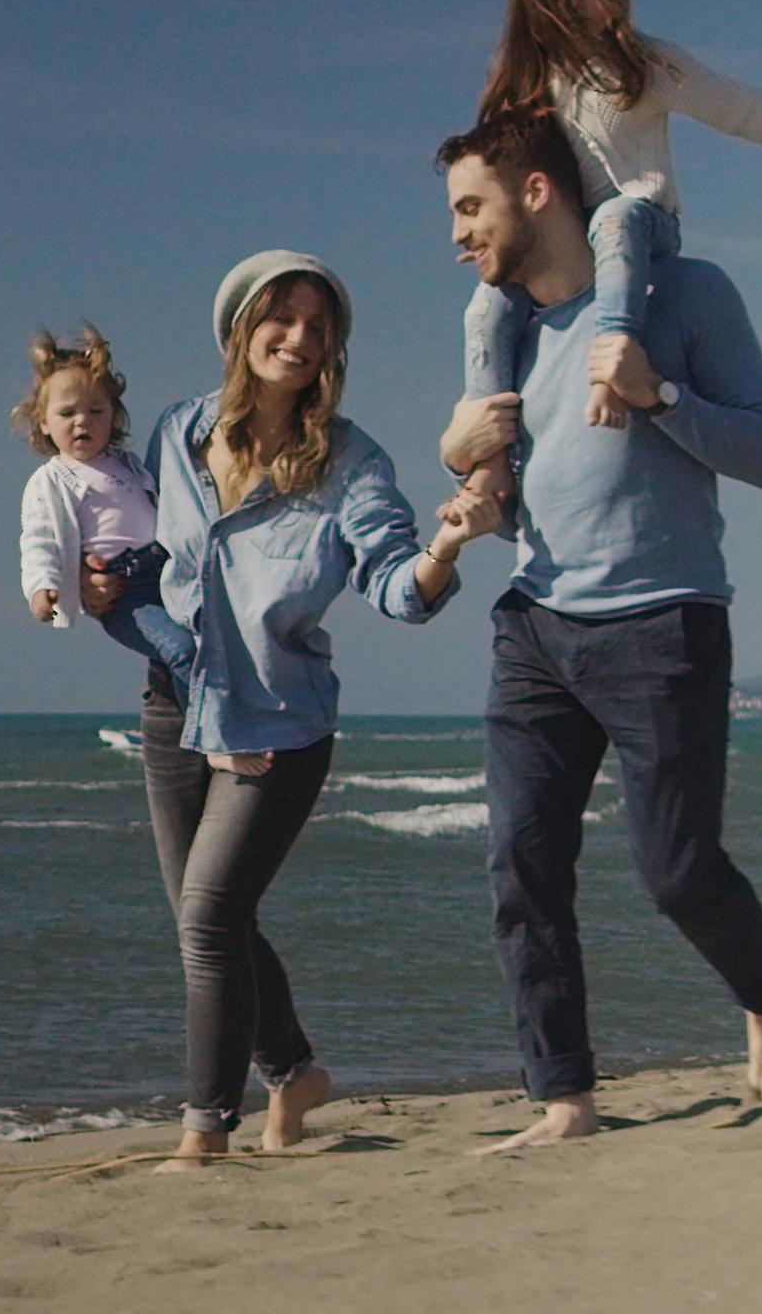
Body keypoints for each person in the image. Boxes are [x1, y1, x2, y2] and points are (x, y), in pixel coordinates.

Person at [432, 108, 762, 1152]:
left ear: (538, 191)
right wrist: (464, 484)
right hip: (534, 625)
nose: (457, 233)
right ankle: (563, 1098)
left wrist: (657, 393)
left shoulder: (685, 296)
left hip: (660, 623)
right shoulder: (504, 330)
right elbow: (514, 486)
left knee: (675, 871)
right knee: (520, 867)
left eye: (470, 207)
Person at [84, 252, 494, 1168]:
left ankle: (203, 1133)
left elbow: (398, 585)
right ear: (241, 327)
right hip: (175, 712)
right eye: (284, 318)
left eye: (320, 326)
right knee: (209, 917)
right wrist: (98, 572)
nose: (301, 339)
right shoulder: (177, 434)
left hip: (276, 725)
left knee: (208, 918)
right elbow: (144, 554)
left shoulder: (350, 462)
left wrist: (448, 544)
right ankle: (294, 1071)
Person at [454, 0, 762, 521]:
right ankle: (489, 464)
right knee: (487, 307)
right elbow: (488, 175)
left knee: (617, 218)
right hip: (571, 255)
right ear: (539, 3)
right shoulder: (521, 82)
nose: (590, 4)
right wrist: (483, 238)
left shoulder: (643, 65)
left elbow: (736, 107)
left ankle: (614, 354)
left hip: (646, 227)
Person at [13, 328, 156, 632]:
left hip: (163, 572)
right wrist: (41, 587)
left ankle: (163, 678)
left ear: (113, 415)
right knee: (180, 650)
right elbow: (39, 539)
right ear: (43, 421)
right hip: (119, 587)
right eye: (67, 413)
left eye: (96, 411)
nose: (83, 420)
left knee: (202, 641)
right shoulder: (51, 481)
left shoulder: (129, 466)